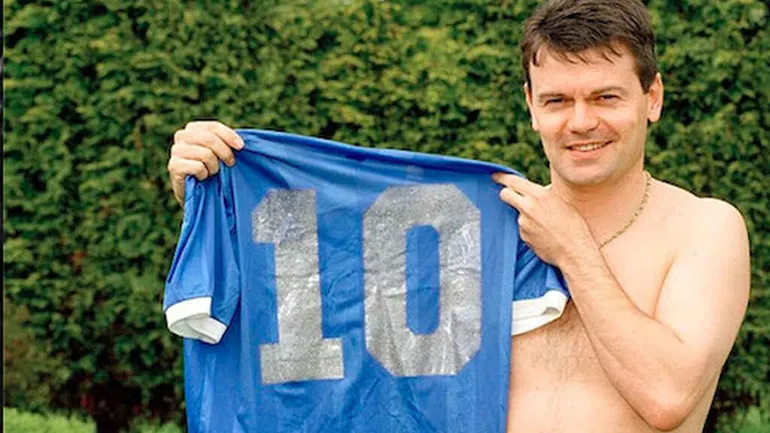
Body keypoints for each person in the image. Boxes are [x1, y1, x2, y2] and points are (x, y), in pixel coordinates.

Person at [166, 0, 750, 431]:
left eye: (605, 97)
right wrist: (217, 197)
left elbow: (668, 397)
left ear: (652, 97)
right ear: (531, 106)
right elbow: (317, 280)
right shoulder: (474, 230)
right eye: (557, 100)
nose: (580, 122)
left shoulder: (703, 228)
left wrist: (573, 249)